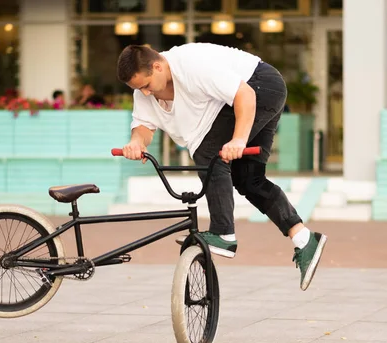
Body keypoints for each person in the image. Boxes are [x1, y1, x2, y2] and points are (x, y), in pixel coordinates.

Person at [116, 43, 327, 291]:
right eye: (138, 89)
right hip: (242, 98)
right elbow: (143, 126)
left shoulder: (192, 65)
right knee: (248, 179)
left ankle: (223, 233)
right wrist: (136, 142)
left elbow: (244, 95)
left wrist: (238, 139)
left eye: (146, 85)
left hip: (260, 85)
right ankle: (304, 239)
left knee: (209, 152)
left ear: (158, 66)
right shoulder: (144, 93)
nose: (146, 93)